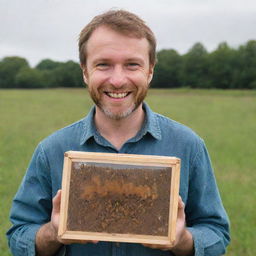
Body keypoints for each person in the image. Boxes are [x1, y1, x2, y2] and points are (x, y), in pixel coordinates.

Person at [7, 9, 230, 256]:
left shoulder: (188, 145)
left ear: (150, 71)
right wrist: (53, 231)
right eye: (103, 65)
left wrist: (182, 239)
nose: (117, 80)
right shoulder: (51, 150)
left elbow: (216, 234)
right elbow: (19, 237)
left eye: (132, 65)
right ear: (85, 71)